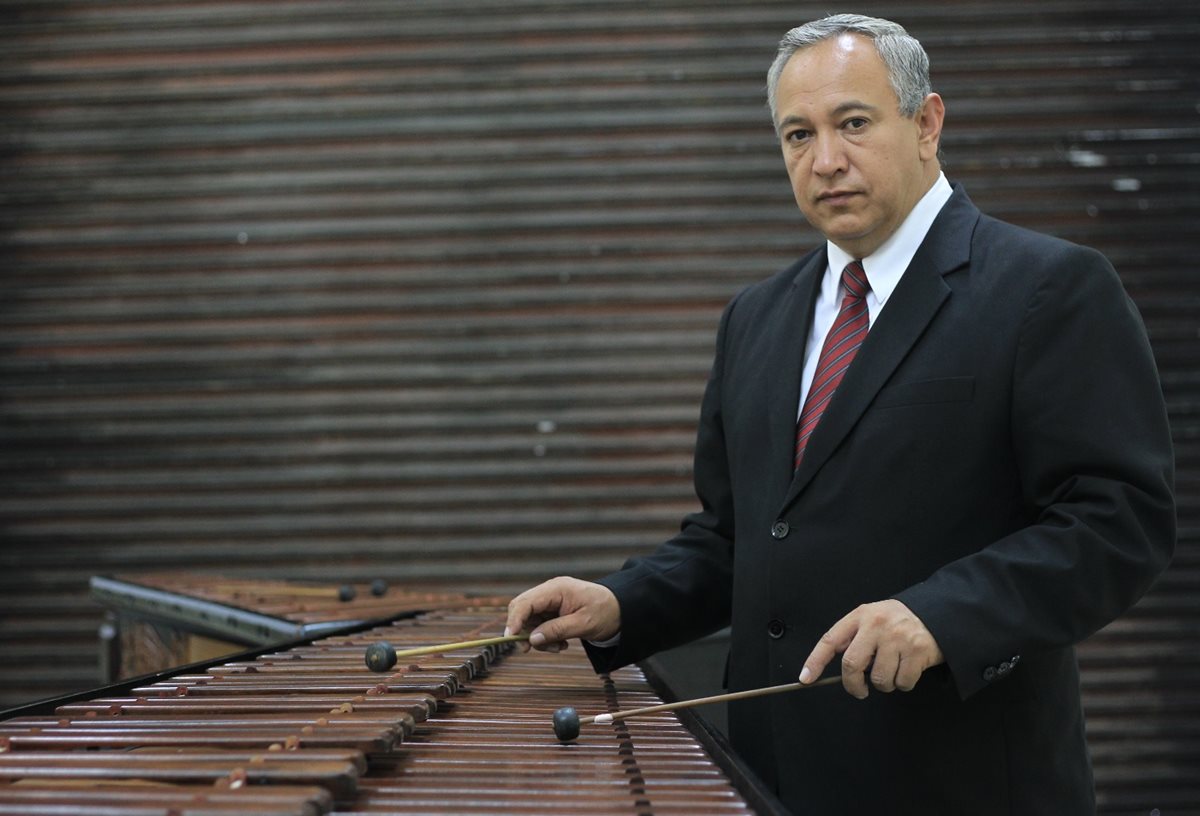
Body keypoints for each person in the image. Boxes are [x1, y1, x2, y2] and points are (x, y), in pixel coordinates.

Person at [505, 13, 1175, 814]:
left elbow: (1117, 523)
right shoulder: (754, 317)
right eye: (797, 135)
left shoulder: (1049, 289)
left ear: (927, 123)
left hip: (958, 784)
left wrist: (942, 615)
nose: (825, 161)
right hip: (767, 780)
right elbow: (739, 537)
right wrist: (623, 603)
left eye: (853, 123)